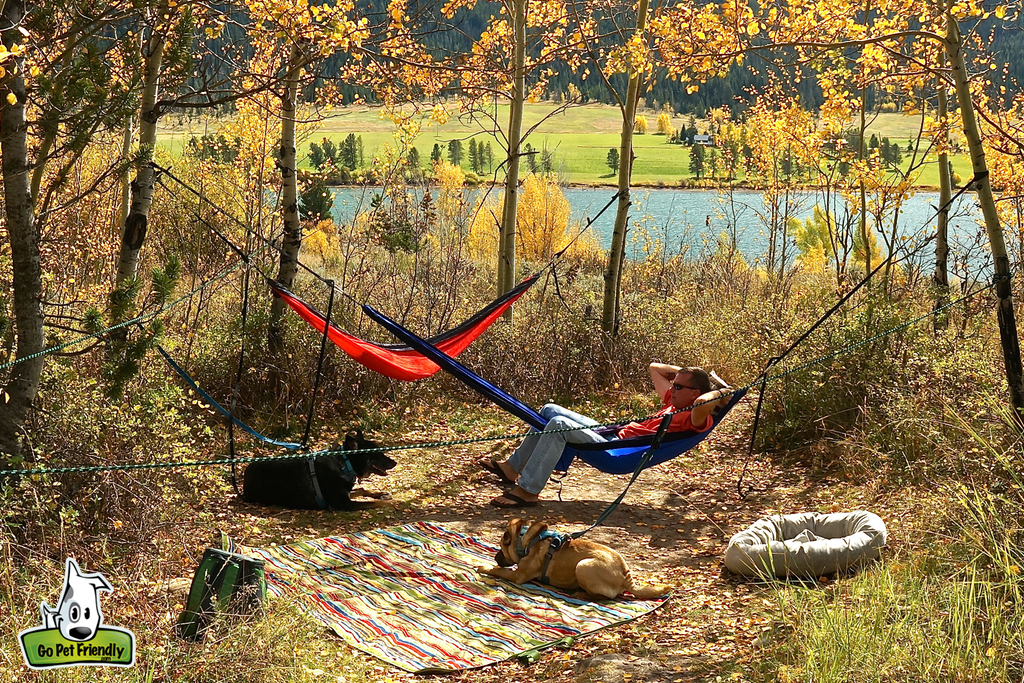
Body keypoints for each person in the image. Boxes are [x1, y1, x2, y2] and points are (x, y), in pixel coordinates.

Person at [481, 363, 731, 507]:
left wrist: (720, 392)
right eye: (673, 384)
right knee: (549, 409)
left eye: (678, 386)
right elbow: (654, 368)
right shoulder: (675, 401)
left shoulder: (694, 415)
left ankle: (529, 490)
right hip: (613, 434)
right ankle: (512, 468)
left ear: (694, 393)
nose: (672, 389)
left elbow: (702, 402)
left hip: (617, 452)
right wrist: (688, 376)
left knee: (558, 424)